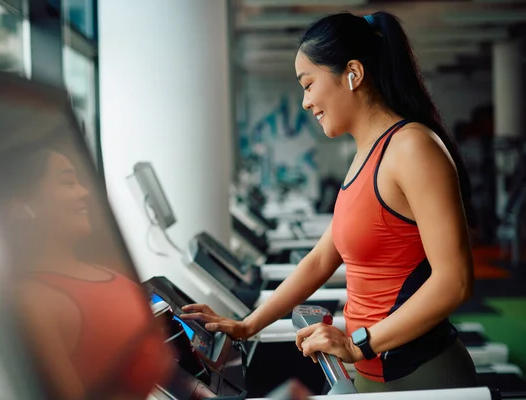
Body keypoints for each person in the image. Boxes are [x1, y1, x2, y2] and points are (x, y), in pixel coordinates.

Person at [181, 11, 477, 393]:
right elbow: (322, 258)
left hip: (419, 375)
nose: (305, 102)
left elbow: (455, 281)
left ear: (352, 73)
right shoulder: (365, 155)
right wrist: (248, 325)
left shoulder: (412, 148)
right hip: (369, 373)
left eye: (308, 84)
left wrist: (358, 343)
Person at [0, 144, 174, 400]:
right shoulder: (33, 302)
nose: (84, 192)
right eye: (68, 183)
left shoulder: (102, 272)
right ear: (25, 206)